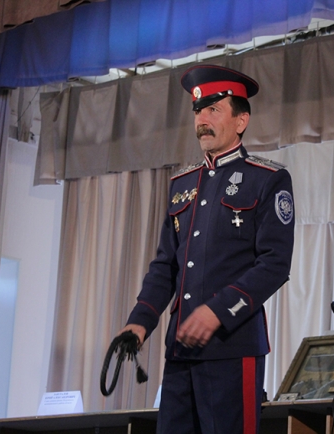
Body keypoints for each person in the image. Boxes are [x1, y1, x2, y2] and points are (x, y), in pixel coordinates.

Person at [120, 64, 294, 434]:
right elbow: (165, 265)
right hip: (181, 350)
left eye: (214, 109)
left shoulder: (267, 179)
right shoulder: (182, 184)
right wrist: (140, 321)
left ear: (241, 121)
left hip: (233, 347)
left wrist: (217, 311)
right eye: (199, 110)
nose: (202, 119)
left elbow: (275, 264)